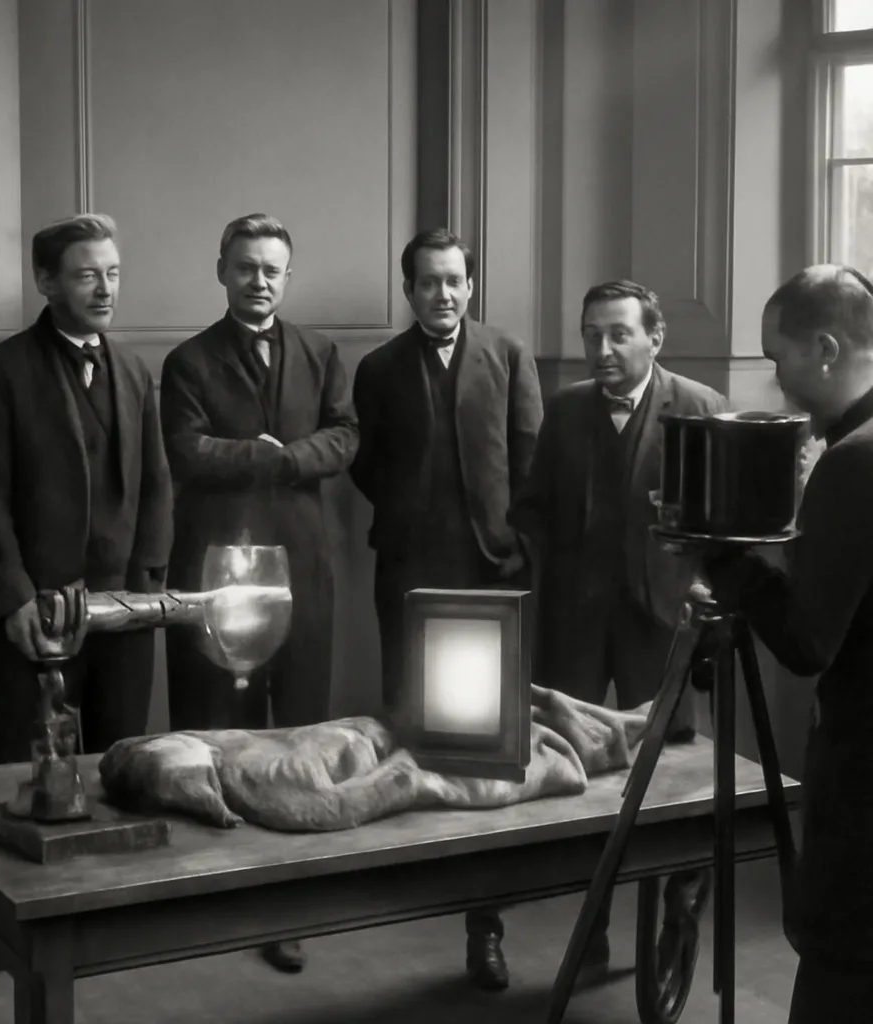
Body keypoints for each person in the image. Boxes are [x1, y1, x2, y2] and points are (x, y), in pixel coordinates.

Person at [509, 279, 725, 984]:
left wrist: (692, 592)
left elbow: (721, 533)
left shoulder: (697, 410)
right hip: (575, 624)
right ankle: (592, 925)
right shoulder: (566, 412)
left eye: (618, 334)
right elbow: (534, 509)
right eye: (591, 335)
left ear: (654, 337)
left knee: (674, 781)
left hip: (660, 626)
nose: (601, 349)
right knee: (579, 777)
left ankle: (677, 916)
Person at [159, 213, 358, 974]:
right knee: (221, 729)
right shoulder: (187, 360)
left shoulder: (321, 352)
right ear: (222, 271)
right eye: (245, 267)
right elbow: (185, 448)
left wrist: (280, 459)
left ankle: (289, 905)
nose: (259, 280)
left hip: (304, 567)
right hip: (218, 569)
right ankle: (218, 890)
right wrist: (265, 457)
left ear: (286, 274)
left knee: (300, 730)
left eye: (272, 268)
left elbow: (345, 437)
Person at [350, 227, 543, 991]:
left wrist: (510, 541)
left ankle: (483, 925)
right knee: (410, 729)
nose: (444, 294)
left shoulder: (507, 355)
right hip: (408, 574)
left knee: (487, 751)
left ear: (471, 286)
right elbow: (365, 465)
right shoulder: (379, 368)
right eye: (429, 282)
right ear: (409, 290)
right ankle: (410, 890)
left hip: (491, 575)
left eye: (455, 281)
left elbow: (528, 457)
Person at [703, 265, 873, 1023]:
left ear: (827, 349)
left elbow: (807, 643)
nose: (777, 382)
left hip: (865, 771)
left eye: (780, 360)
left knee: (840, 964)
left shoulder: (854, 460)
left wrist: (725, 563)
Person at [0, 214, 173, 765]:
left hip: (125, 613)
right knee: (34, 776)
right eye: (86, 276)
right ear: (46, 281)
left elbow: (156, 485)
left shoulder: (133, 369)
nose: (105, 290)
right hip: (38, 615)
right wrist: (15, 598)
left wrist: (146, 588)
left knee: (122, 768)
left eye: (113, 274)